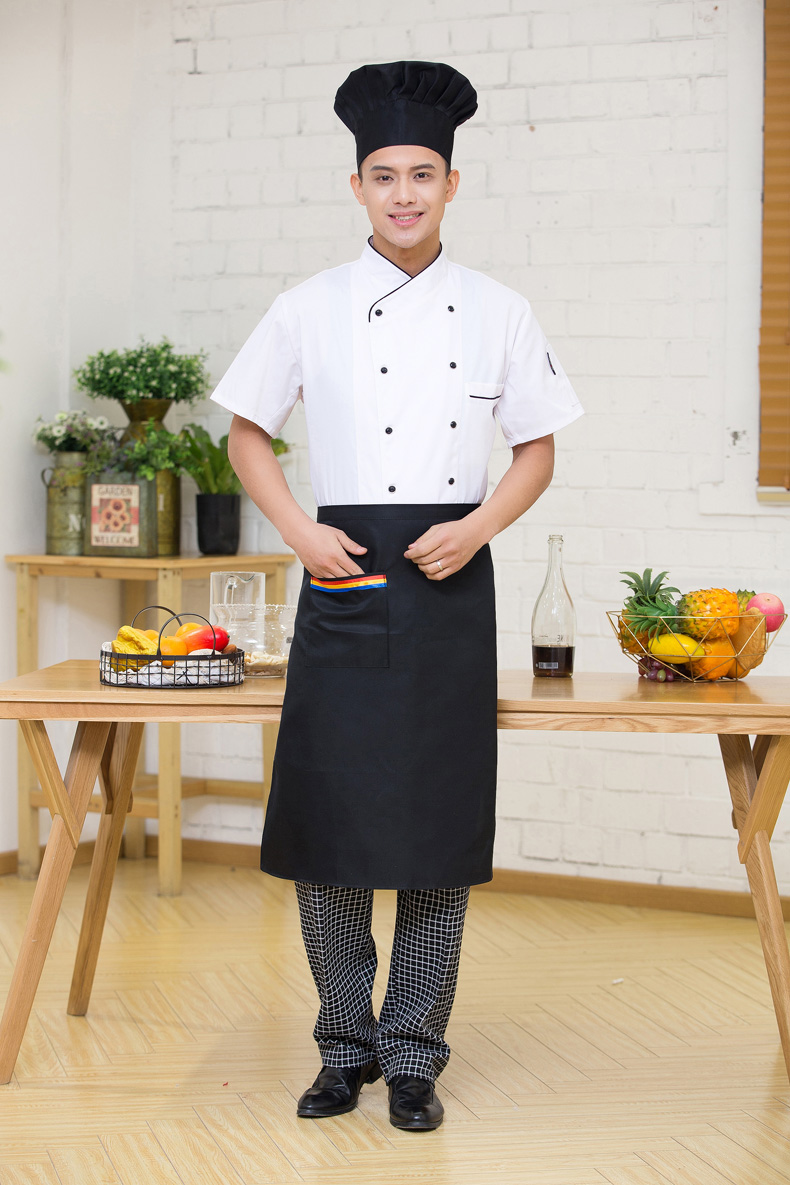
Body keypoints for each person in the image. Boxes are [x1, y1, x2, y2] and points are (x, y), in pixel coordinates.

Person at [211, 60, 583, 1132]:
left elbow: (536, 450)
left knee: (436, 837)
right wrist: (298, 531)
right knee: (327, 833)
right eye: (385, 176)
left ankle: (413, 1055)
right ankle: (344, 1047)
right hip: (342, 573)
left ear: (451, 185)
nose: (404, 194)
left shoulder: (500, 310)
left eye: (423, 175)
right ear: (357, 186)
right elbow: (246, 432)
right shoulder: (306, 307)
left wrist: (477, 527)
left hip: (447, 582)